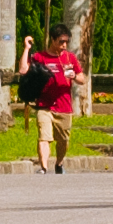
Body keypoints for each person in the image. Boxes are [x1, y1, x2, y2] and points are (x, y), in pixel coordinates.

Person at [17, 28, 85, 172]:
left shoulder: (69, 58)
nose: (64, 45)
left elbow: (82, 79)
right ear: (52, 40)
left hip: (64, 106)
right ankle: (44, 167)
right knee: (44, 137)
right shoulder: (40, 57)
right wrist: (26, 49)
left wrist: (73, 76)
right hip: (44, 105)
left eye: (66, 42)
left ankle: (59, 163)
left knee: (63, 141)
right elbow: (23, 70)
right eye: (61, 41)